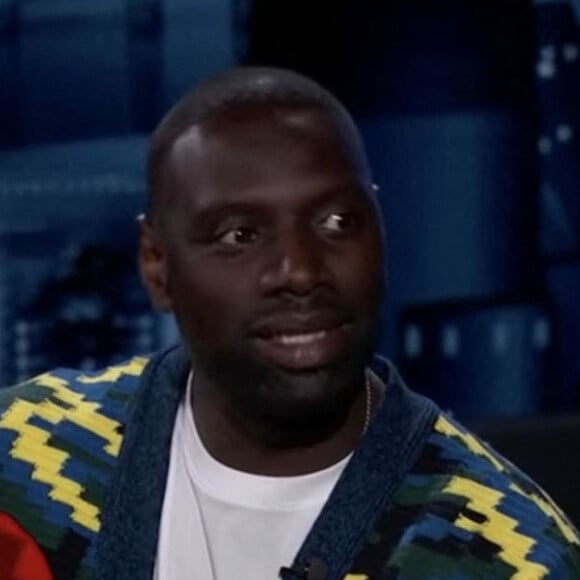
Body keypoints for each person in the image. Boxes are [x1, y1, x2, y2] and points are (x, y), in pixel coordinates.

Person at [0, 67, 578, 580]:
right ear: (156, 263)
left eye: (336, 221)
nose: (299, 271)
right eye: (240, 236)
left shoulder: (509, 556)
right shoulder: (22, 458)